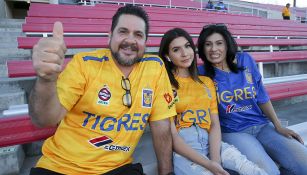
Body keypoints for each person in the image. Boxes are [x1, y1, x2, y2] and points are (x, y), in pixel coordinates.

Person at [28, 5, 177, 175]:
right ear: (109, 36)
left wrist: (166, 173)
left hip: (118, 169)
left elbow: (161, 125)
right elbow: (44, 119)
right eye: (123, 31)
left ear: (145, 42)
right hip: (60, 166)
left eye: (138, 35)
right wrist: (46, 79)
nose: (130, 40)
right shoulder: (84, 64)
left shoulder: (155, 68)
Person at [197, 24, 307, 175]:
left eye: (219, 43)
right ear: (202, 49)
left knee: (304, 162)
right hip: (234, 131)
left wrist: (278, 125)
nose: (213, 49)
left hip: (261, 125)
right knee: (269, 171)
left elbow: (262, 96)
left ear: (227, 44)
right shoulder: (201, 73)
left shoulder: (245, 60)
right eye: (208, 44)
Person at [159, 28, 267, 175]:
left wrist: (215, 161)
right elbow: (173, 137)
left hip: (213, 142)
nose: (185, 53)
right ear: (168, 55)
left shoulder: (206, 82)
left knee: (256, 171)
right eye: (176, 49)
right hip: (186, 148)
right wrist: (209, 165)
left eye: (187, 46)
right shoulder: (164, 84)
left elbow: (215, 124)